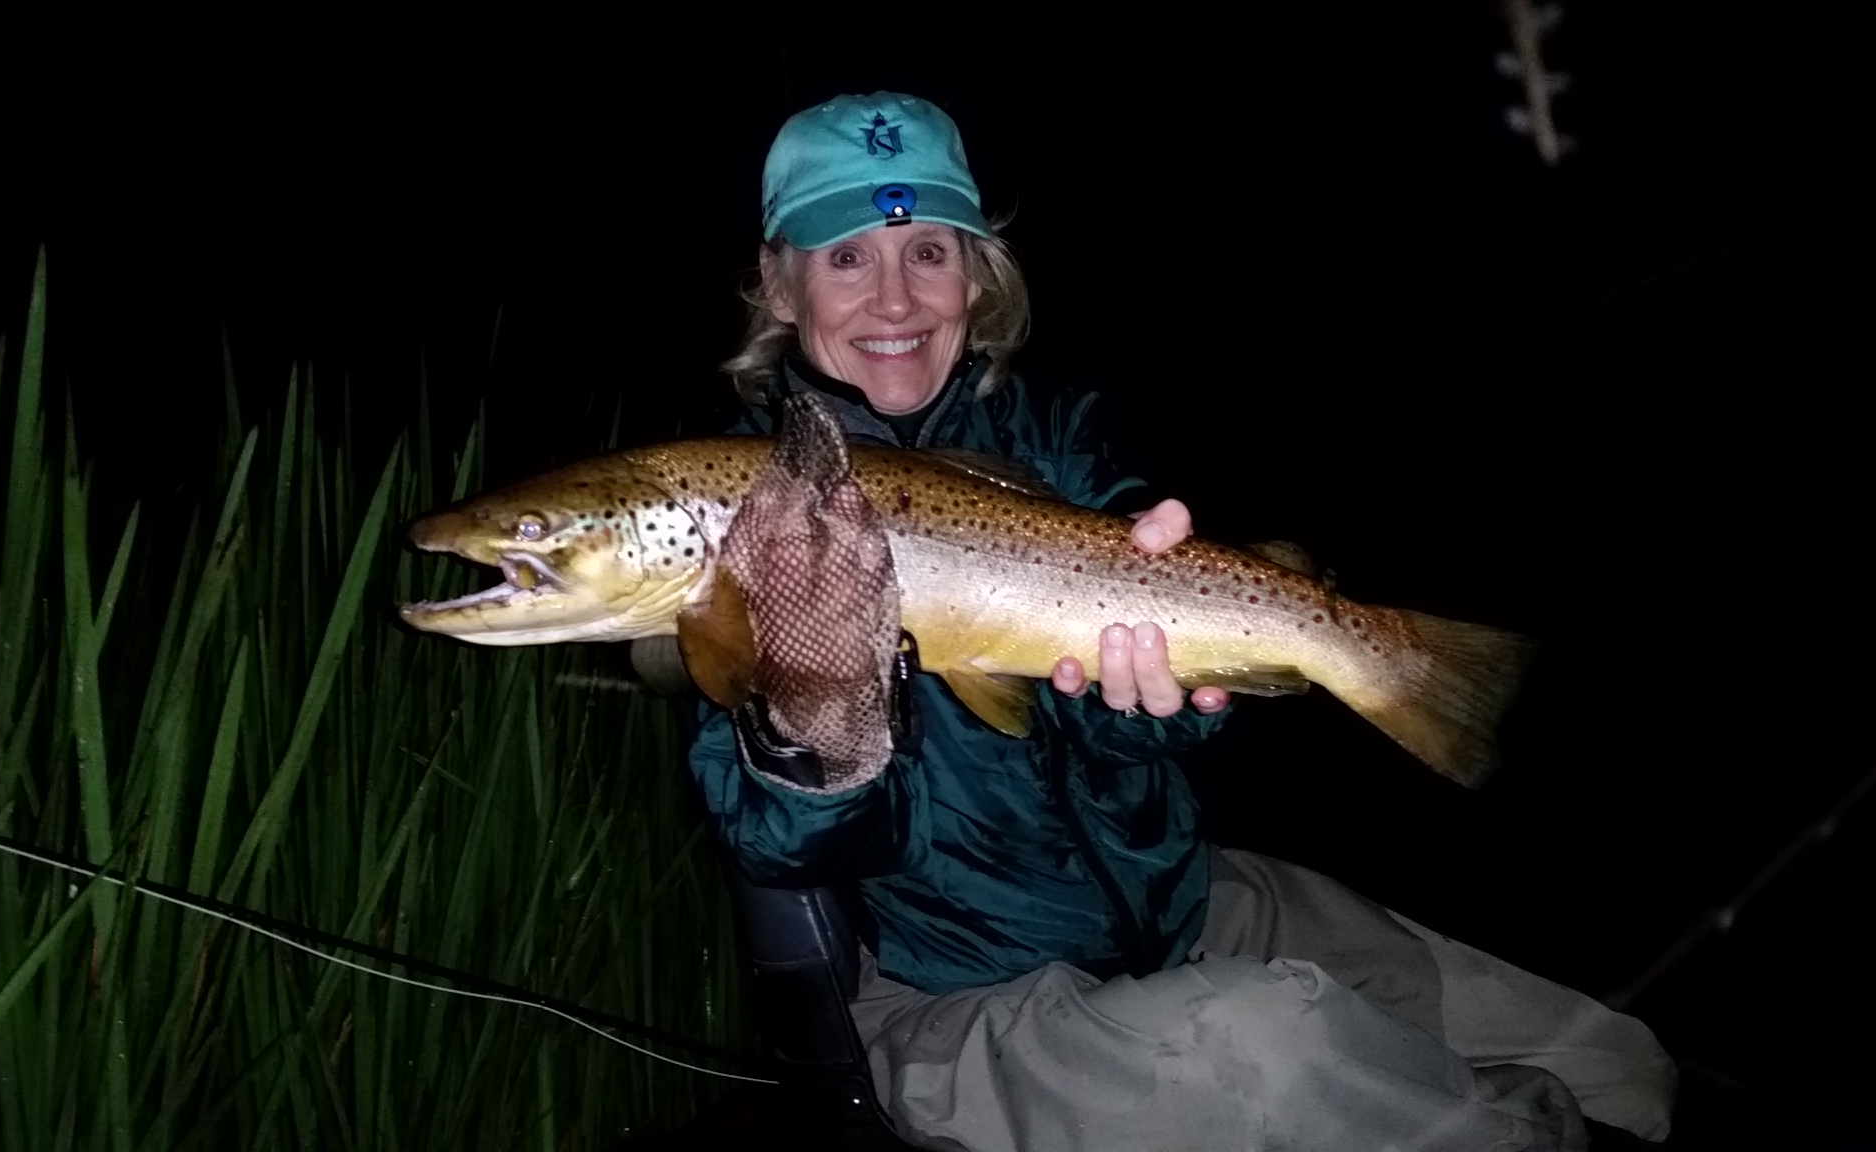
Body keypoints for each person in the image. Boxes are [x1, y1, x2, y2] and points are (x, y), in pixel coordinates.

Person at [687, 92, 1674, 1151]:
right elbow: (775, 848)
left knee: (1609, 1056)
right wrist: (818, 711)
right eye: (844, 258)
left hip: (1176, 897)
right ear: (779, 284)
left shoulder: (1061, 433)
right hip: (951, 998)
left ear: (978, 274)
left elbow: (1142, 716)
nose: (892, 298)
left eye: (926, 249)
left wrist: (1152, 708)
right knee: (1289, 1054)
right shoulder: (752, 513)